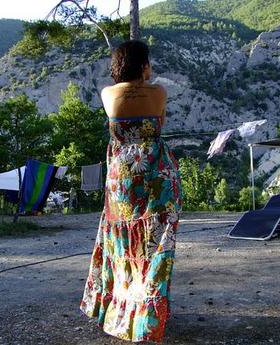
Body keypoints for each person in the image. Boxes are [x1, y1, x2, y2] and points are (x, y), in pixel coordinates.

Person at [80, 40, 183, 343]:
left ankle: (122, 311)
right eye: (148, 62)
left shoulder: (107, 94)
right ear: (143, 65)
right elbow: (159, 122)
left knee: (121, 246)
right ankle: (147, 316)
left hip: (121, 179)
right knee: (157, 246)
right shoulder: (159, 92)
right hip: (155, 176)